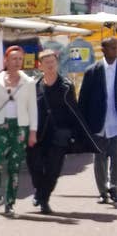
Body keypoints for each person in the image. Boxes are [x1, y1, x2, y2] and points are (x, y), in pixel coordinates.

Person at [0, 44, 37, 215]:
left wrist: (33, 132)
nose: (17, 62)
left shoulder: (28, 82)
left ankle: (9, 202)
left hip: (20, 127)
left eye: (20, 59)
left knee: (14, 166)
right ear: (6, 60)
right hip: (0, 126)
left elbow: (32, 108)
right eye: (14, 58)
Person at [27, 48, 80, 215]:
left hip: (59, 134)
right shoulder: (34, 85)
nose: (50, 65)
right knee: (34, 165)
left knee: (53, 169)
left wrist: (73, 133)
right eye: (47, 63)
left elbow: (73, 110)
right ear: (40, 65)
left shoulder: (66, 86)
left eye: (53, 62)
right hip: (37, 132)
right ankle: (39, 190)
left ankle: (44, 199)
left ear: (57, 63)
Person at [78, 35, 117, 205]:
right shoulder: (92, 71)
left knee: (116, 159)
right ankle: (102, 192)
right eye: (113, 47)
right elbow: (83, 100)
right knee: (99, 160)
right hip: (97, 125)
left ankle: (114, 189)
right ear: (103, 50)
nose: (116, 50)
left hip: (116, 125)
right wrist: (83, 127)